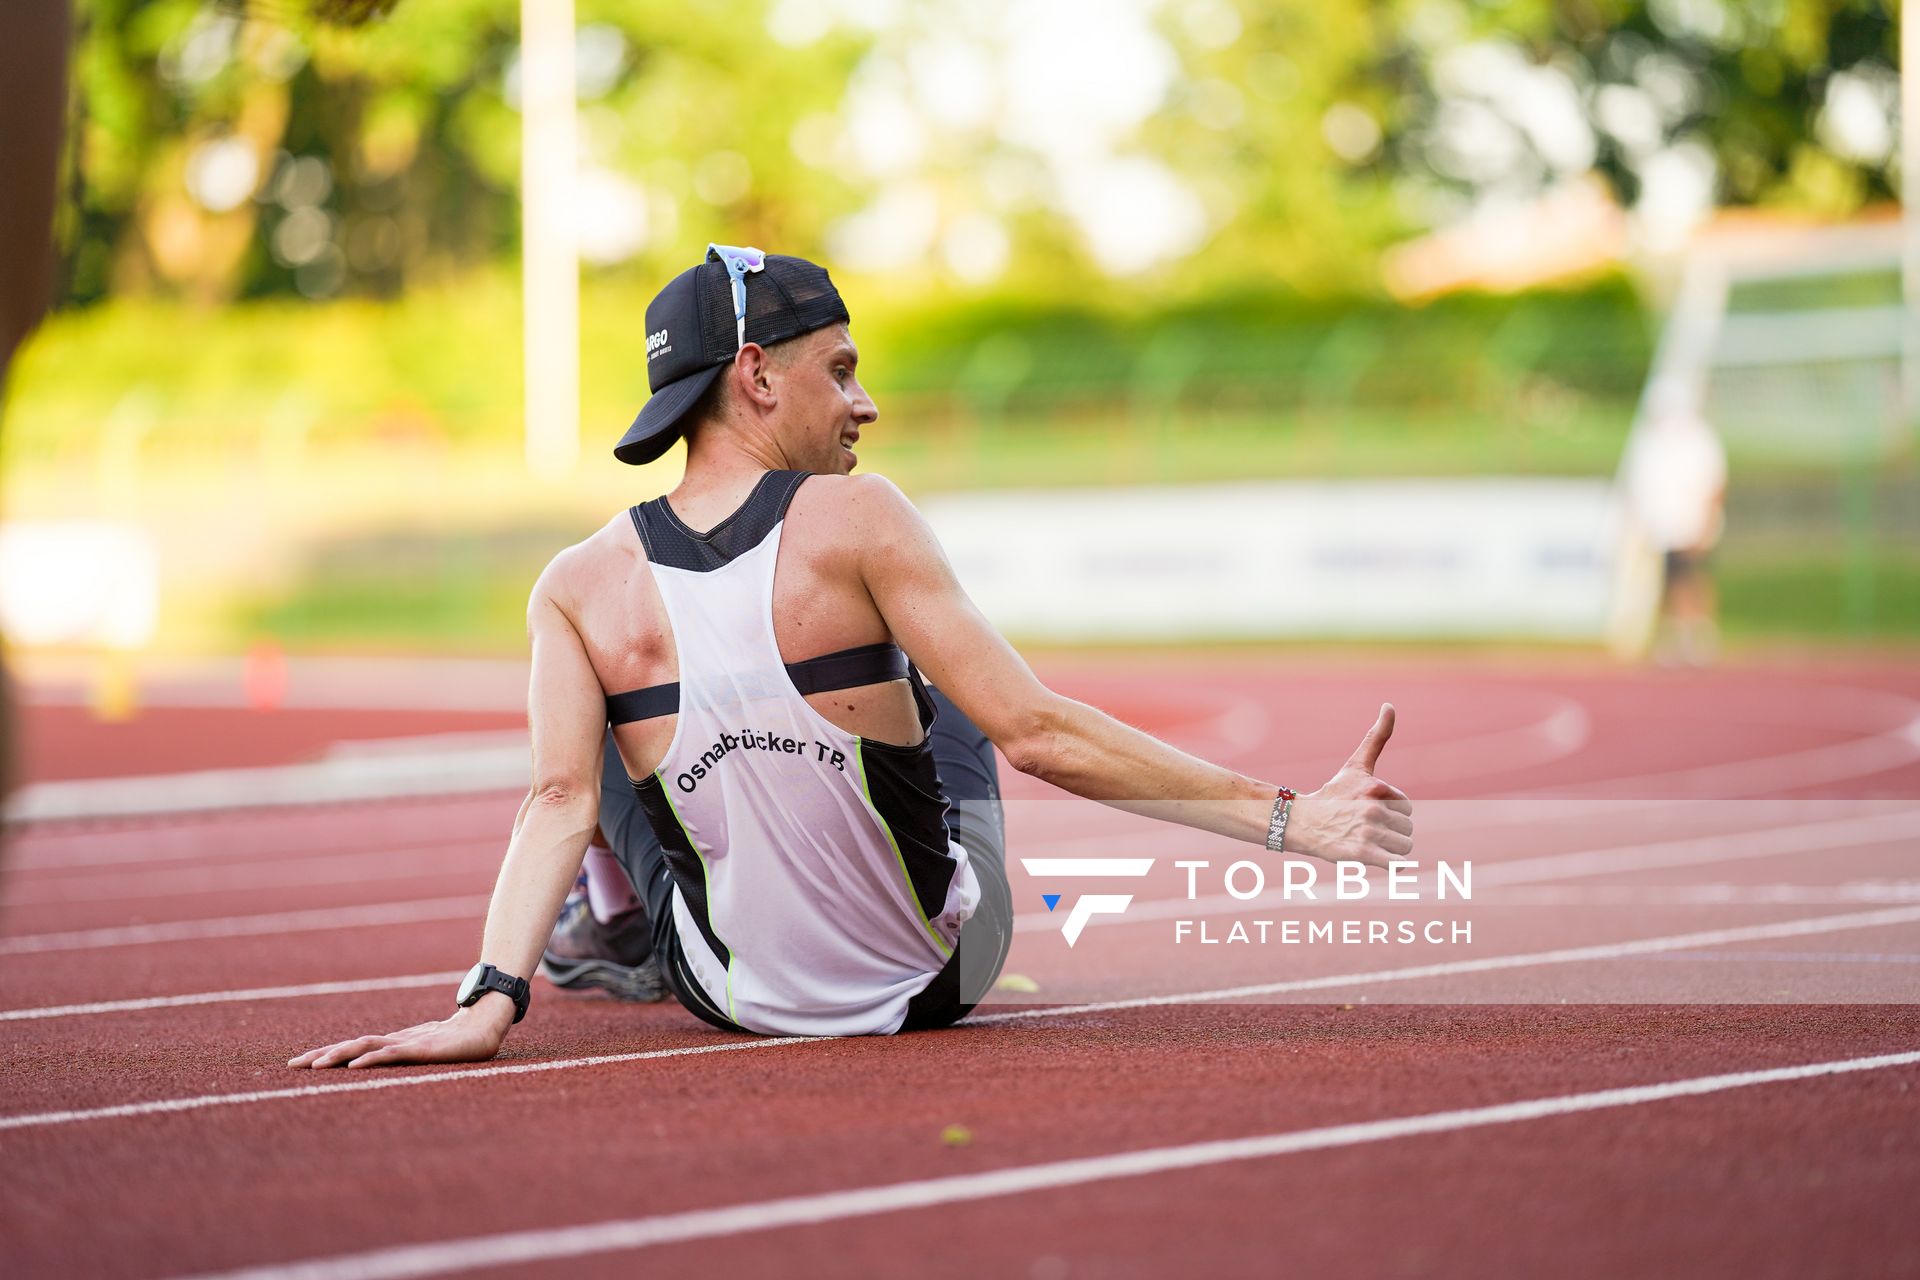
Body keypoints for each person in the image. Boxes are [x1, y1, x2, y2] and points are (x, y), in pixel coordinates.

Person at [292, 246, 1413, 1065]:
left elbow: (551, 798)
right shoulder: (861, 519)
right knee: (951, 695)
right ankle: (657, 900)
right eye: (841, 369)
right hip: (937, 980)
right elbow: (1040, 734)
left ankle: (618, 921)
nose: (865, 403)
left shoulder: (572, 585)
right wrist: (1288, 816)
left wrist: (488, 1000)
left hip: (728, 993)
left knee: (597, 759)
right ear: (757, 375)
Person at [1621, 375, 1728, 666]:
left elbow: (1714, 482)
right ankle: (1674, 636)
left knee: (1693, 579)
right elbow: (1639, 485)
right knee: (1668, 581)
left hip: (1691, 524)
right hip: (1662, 526)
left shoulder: (1698, 438)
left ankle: (1699, 634)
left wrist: (1705, 522)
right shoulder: (1650, 440)